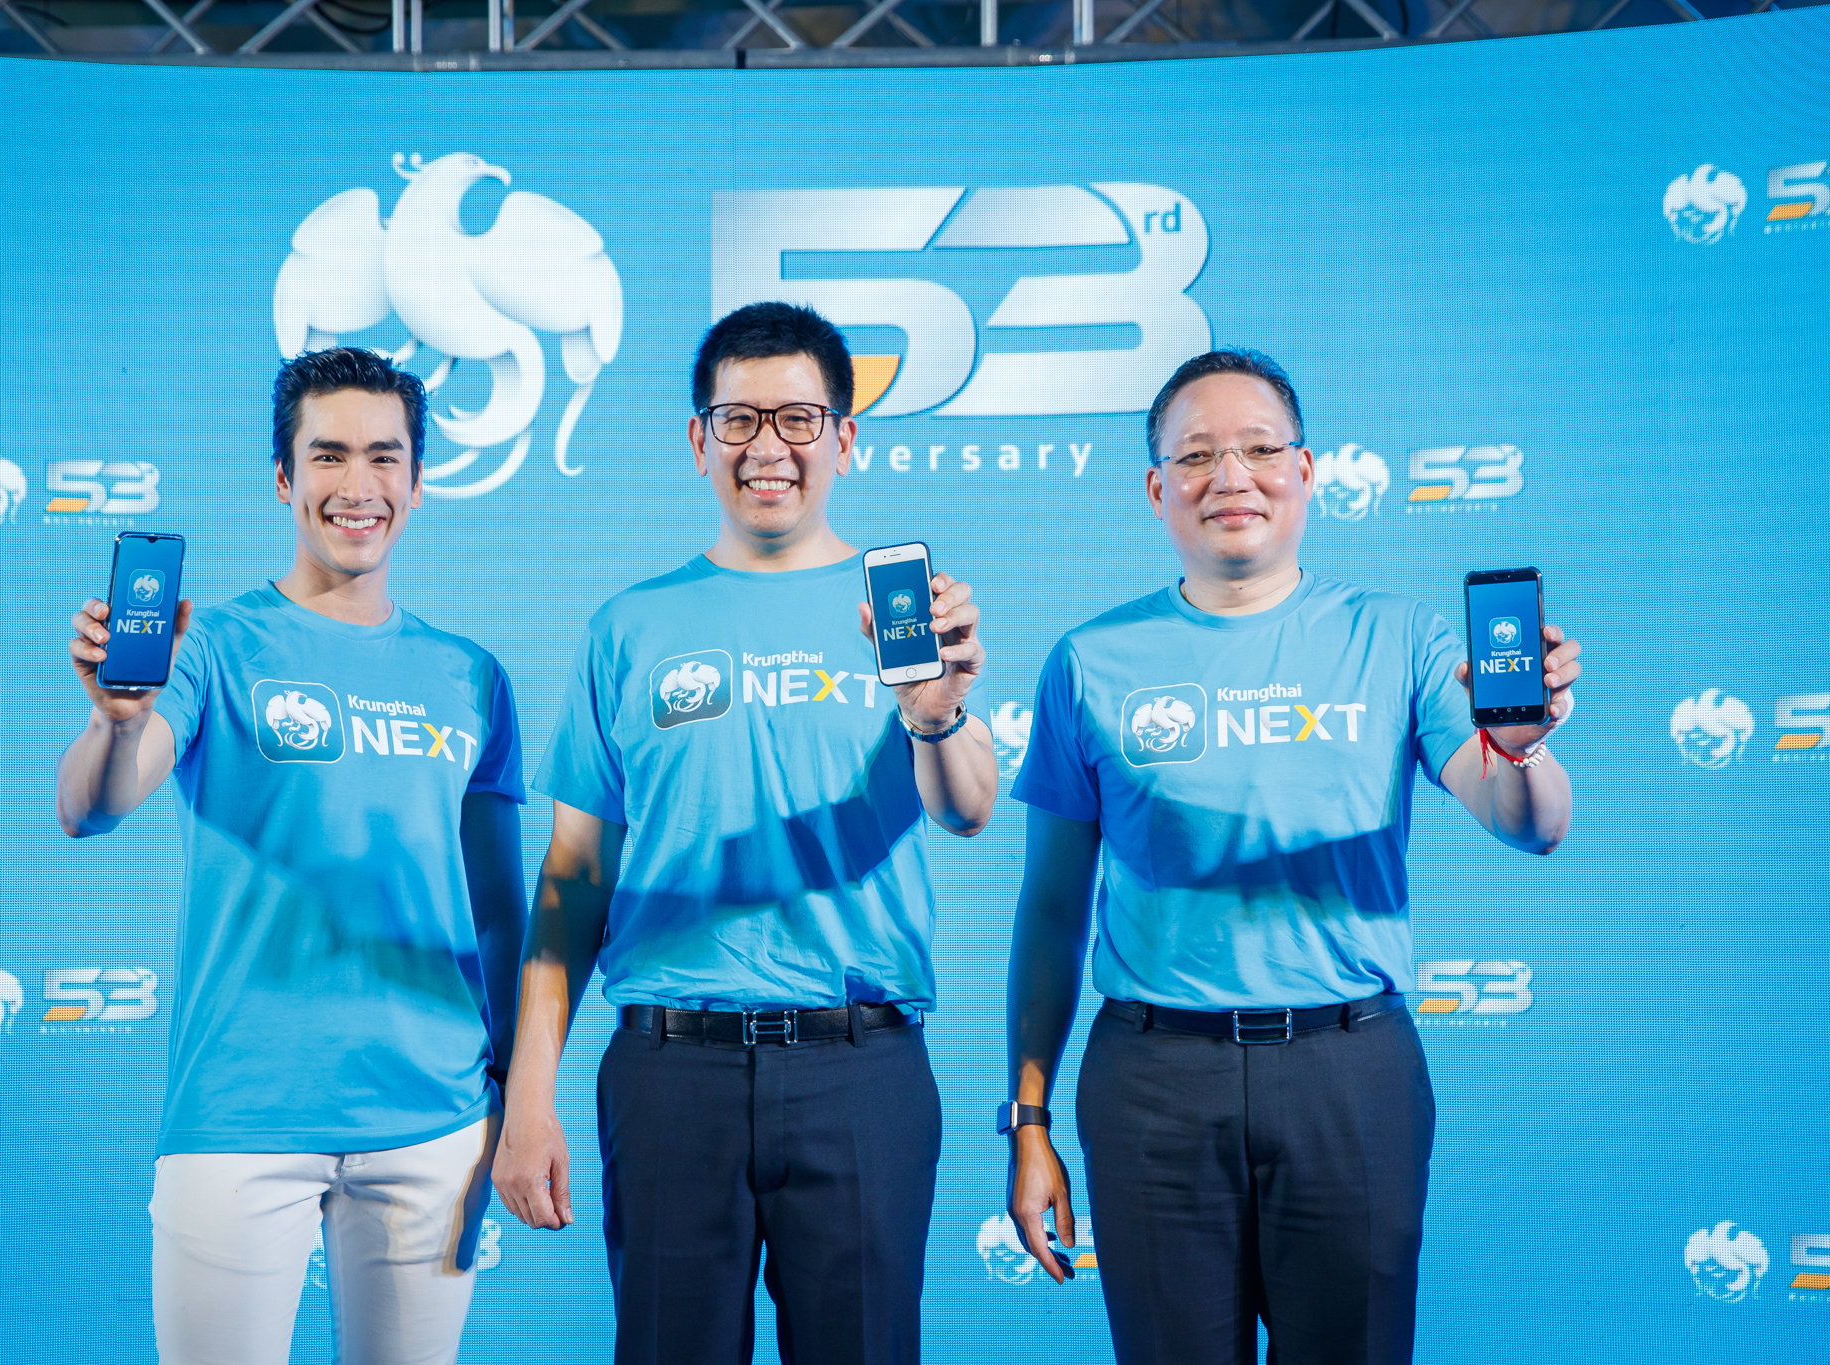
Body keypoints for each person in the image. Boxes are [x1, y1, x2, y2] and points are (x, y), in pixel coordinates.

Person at [1001, 349, 1583, 1365]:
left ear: (1305, 472)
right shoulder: (1090, 659)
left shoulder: (1397, 638)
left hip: (1347, 1075)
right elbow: (1050, 907)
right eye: (1195, 455)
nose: (1230, 477)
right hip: (1151, 1083)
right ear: (1156, 489)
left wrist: (1523, 747)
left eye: (1260, 449)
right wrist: (1028, 1118)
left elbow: (1525, 821)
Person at [491, 301, 997, 1365]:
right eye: (739, 420)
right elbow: (573, 877)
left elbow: (966, 808)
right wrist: (527, 1095)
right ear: (698, 439)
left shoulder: (904, 614)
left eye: (799, 419)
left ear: (845, 439)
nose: (768, 447)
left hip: (860, 1070)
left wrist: (934, 711)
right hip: (670, 1075)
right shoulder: (629, 627)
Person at [55, 347, 528, 1365]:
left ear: (417, 480)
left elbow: (498, 911)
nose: (358, 485)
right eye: (328, 456)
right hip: (240, 1114)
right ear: (283, 477)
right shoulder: (210, 646)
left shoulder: (471, 676)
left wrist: (513, 1092)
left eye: (384, 457)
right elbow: (92, 806)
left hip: (433, 1121)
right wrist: (114, 722)